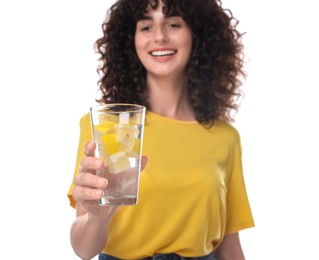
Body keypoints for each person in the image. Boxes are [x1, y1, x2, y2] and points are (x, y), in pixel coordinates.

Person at [68, 0, 255, 259]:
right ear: (130, 40)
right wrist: (98, 217)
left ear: (196, 34)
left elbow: (230, 246)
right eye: (146, 27)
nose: (159, 36)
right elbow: (83, 249)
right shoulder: (107, 126)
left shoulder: (226, 138)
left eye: (173, 24)